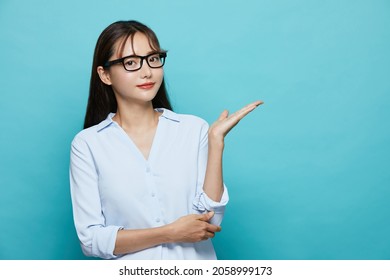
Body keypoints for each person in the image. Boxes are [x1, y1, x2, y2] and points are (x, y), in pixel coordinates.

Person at [69, 20, 263, 260]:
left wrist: (216, 143)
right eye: (131, 62)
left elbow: (209, 220)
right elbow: (91, 241)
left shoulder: (194, 129)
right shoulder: (88, 144)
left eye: (153, 59)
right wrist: (169, 232)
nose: (146, 71)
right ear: (105, 74)